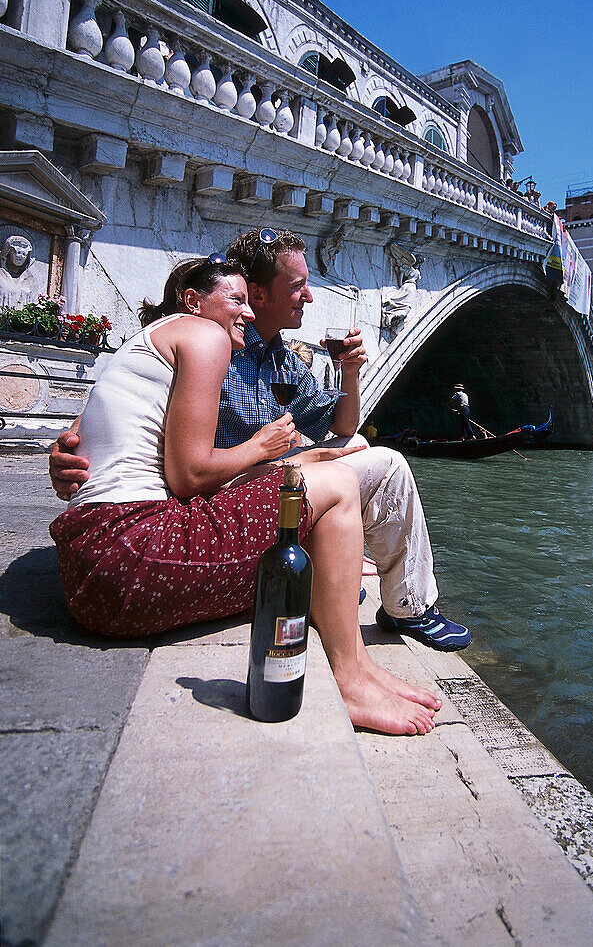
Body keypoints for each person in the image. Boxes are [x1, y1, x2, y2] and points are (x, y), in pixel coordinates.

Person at [48, 254, 439, 737]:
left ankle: (358, 659)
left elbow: (77, 442)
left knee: (326, 471)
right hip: (130, 561)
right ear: (192, 302)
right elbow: (190, 476)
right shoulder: (204, 335)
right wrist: (265, 450)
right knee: (335, 487)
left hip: (96, 565)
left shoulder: (144, 348)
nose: (248, 313)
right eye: (236, 299)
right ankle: (352, 676)